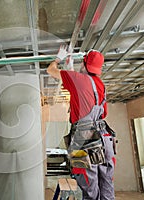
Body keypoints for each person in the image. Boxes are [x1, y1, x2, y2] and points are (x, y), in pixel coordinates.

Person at [47, 45, 116, 199]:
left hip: (83, 139)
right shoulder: (100, 85)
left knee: (88, 186)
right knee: (106, 185)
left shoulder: (78, 79)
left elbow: (51, 70)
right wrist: (71, 68)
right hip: (104, 139)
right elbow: (103, 112)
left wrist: (59, 57)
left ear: (84, 64)